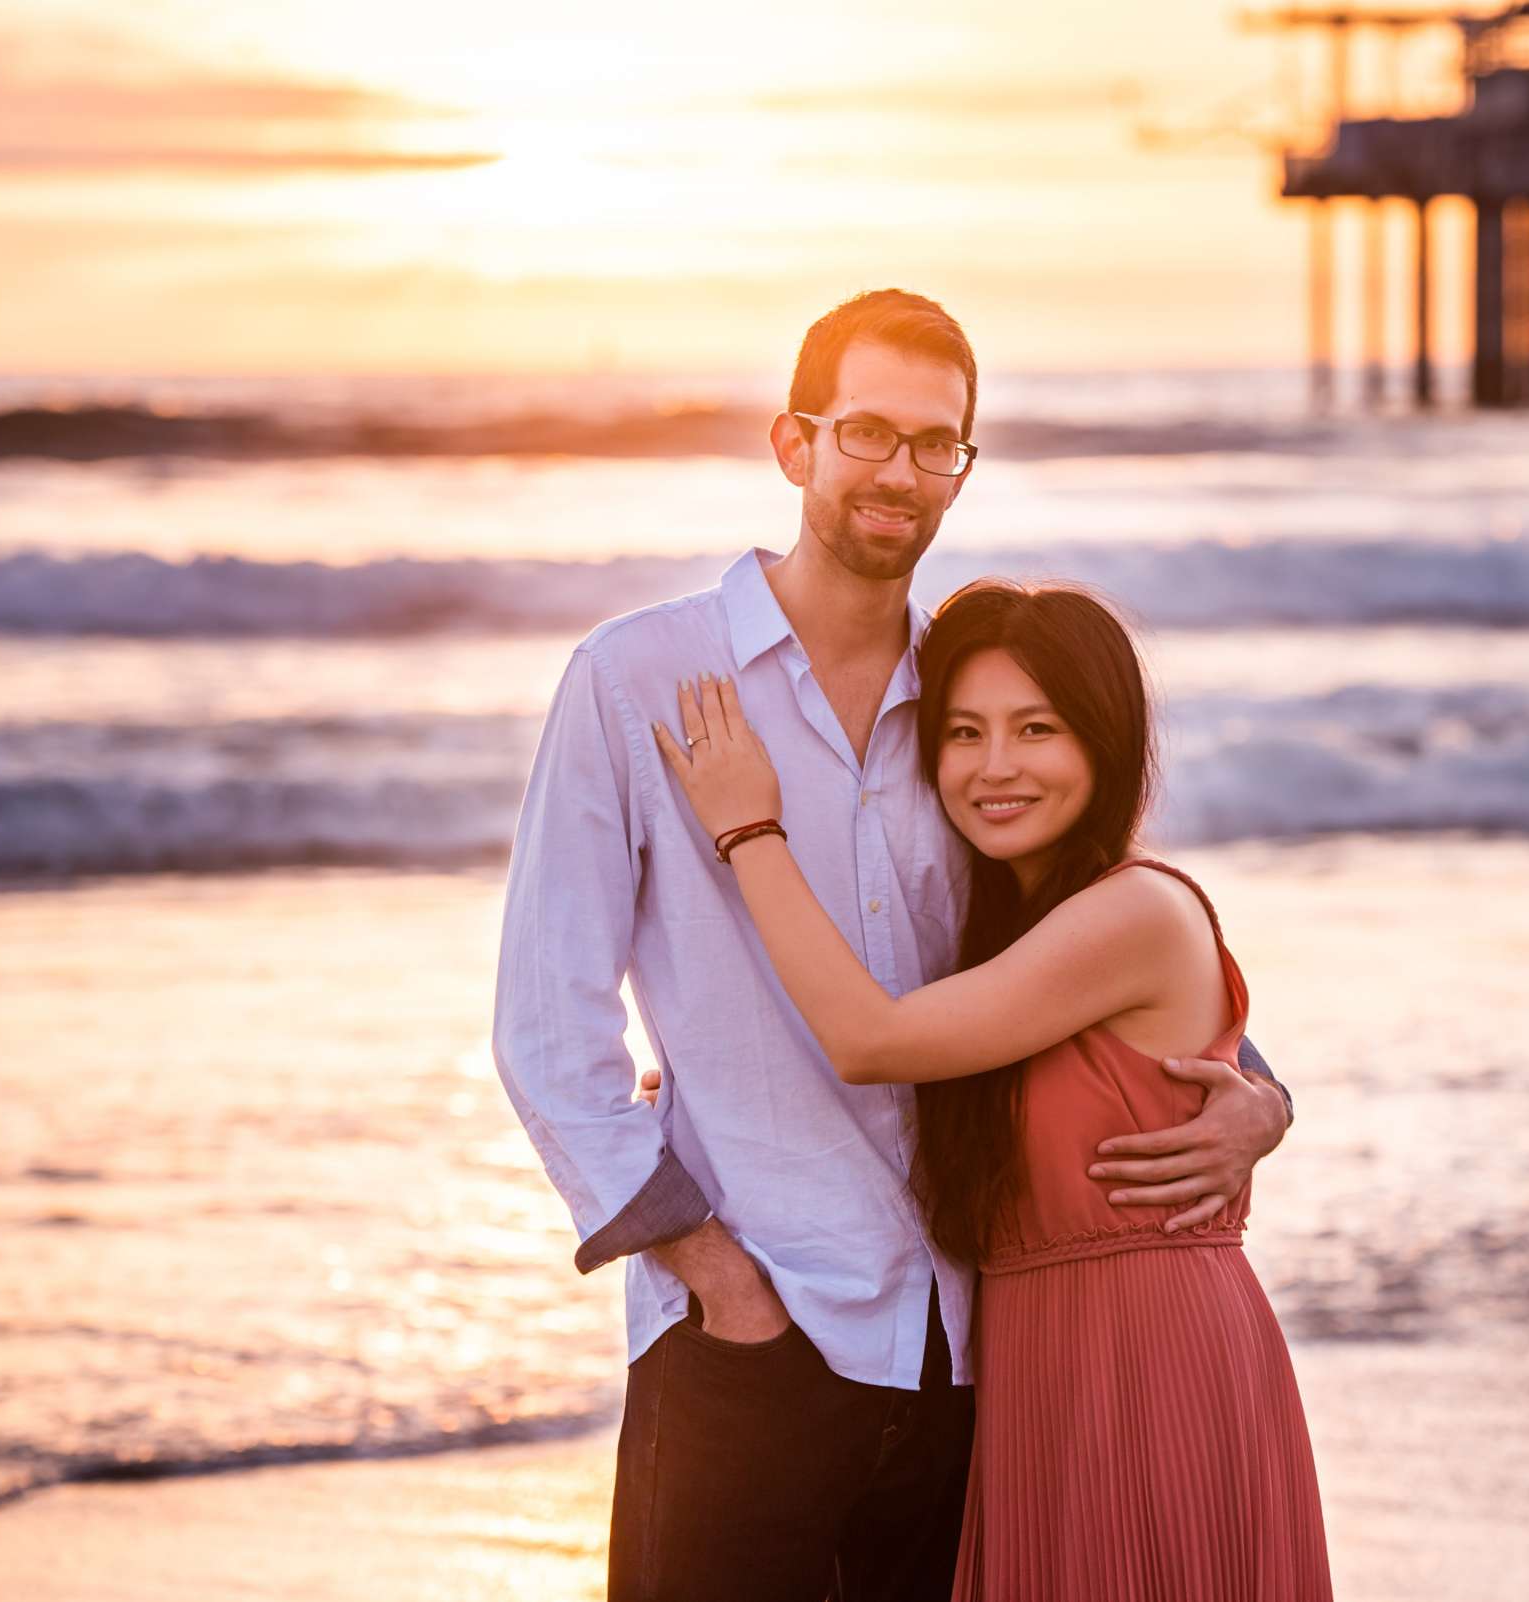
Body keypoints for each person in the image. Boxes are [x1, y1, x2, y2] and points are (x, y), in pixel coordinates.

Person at [490, 288, 1294, 1601]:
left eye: (938, 445)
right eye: (867, 432)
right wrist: (710, 1273)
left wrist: (1261, 1093)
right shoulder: (641, 679)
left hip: (969, 1351)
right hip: (748, 1333)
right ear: (794, 443)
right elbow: (545, 1023)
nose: (900, 472)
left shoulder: (974, 709)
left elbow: (1091, 942)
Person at [652, 580, 1332, 1600]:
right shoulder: (999, 928)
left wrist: (750, 833)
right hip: (1037, 1374)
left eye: (1037, 729)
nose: (995, 766)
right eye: (963, 732)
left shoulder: (1134, 911)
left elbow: (868, 1039)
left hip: (1154, 1366)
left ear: (1103, 742)